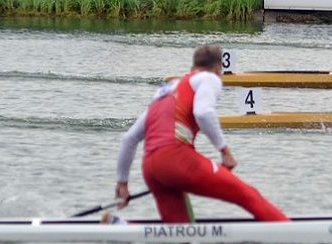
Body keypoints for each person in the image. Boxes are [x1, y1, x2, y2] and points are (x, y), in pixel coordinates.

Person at [114, 44, 289, 224]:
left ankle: (119, 226)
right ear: (218, 69)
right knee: (248, 194)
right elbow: (203, 113)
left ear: (192, 68)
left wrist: (122, 183)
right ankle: (287, 231)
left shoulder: (168, 89)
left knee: (178, 233)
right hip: (176, 158)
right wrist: (224, 151)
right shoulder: (209, 78)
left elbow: (129, 139)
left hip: (151, 167)